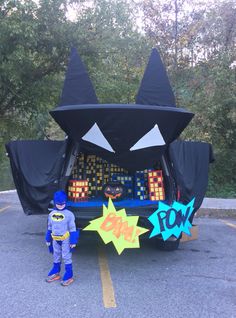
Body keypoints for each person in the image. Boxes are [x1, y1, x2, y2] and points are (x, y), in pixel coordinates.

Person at [45, 190, 79, 286]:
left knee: (66, 256)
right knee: (56, 255)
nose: (60, 205)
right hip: (55, 239)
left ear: (65, 202)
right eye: (58, 204)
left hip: (65, 239)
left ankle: (69, 275)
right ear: (55, 203)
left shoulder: (69, 214)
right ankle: (56, 271)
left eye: (62, 203)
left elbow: (73, 228)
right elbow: (49, 228)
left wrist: (73, 241)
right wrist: (48, 239)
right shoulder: (51, 214)